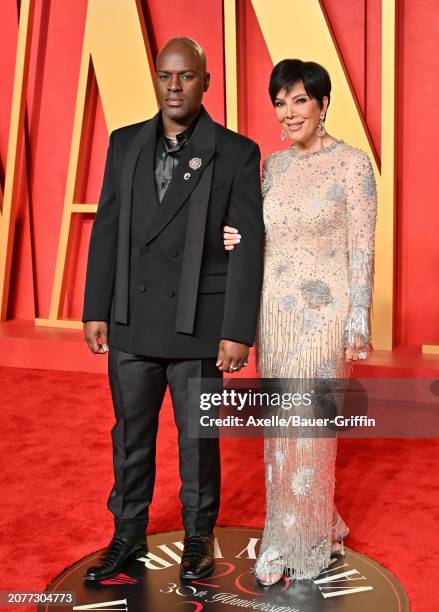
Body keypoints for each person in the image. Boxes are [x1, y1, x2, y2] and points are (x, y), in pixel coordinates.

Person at [82, 37, 264, 582]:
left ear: (206, 83)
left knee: (197, 444)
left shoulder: (235, 152)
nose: (175, 86)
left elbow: (248, 243)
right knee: (129, 439)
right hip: (132, 322)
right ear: (156, 80)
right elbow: (107, 230)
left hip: (198, 326)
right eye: (166, 75)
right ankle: (126, 536)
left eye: (186, 76)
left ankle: (197, 539)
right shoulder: (124, 144)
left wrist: (236, 331)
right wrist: (96, 307)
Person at [223, 59, 377, 585]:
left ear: (322, 103)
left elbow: (361, 247)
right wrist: (234, 241)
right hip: (276, 314)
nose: (287, 113)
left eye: (298, 101)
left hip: (325, 315)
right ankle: (306, 521)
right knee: (282, 429)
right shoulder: (273, 167)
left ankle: (303, 542)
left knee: (310, 429)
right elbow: (255, 235)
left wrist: (358, 315)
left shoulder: (353, 165)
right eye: (280, 103)